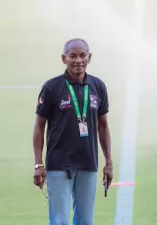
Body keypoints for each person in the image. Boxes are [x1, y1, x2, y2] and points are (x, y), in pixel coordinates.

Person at [32, 38, 113, 225]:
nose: (78, 60)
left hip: (88, 163)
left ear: (89, 57)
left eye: (82, 55)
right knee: (59, 220)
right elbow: (39, 126)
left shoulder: (98, 86)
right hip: (58, 164)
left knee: (85, 221)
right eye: (72, 56)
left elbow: (103, 126)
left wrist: (108, 162)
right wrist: (38, 164)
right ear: (63, 59)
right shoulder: (52, 87)